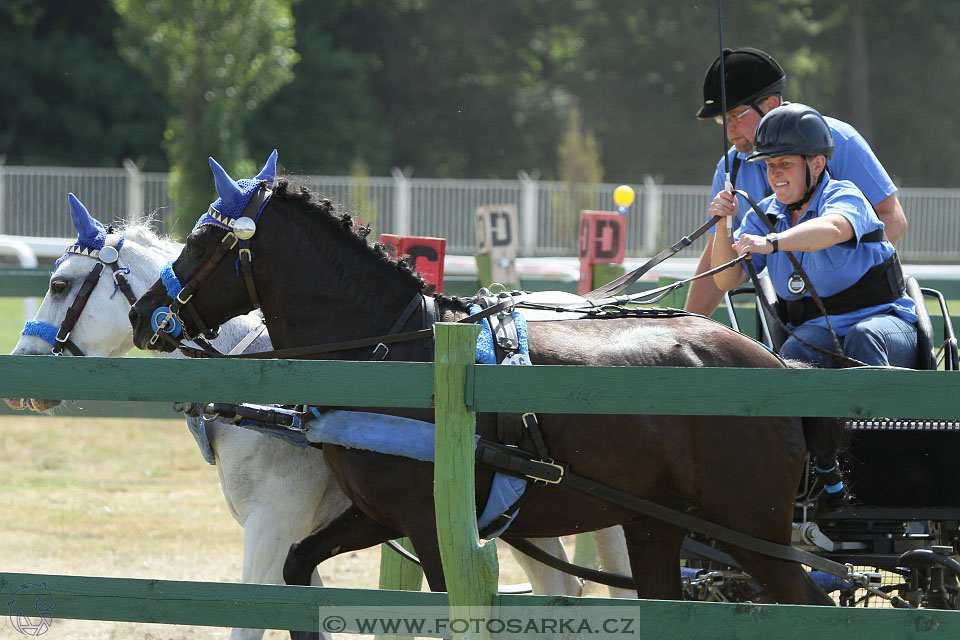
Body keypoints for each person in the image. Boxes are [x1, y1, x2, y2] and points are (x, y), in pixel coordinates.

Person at [684, 47, 907, 318]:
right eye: (723, 119)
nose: (728, 129)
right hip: (788, 313)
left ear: (770, 105)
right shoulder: (730, 167)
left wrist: (836, 287)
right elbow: (719, 258)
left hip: (858, 310)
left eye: (736, 116)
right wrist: (684, 330)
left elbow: (891, 219)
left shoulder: (837, 140)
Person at [708, 103, 918, 370]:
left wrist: (772, 242)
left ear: (817, 164)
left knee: (863, 337)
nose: (775, 174)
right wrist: (723, 225)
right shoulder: (764, 216)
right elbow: (727, 279)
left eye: (785, 163)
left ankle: (878, 414)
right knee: (797, 348)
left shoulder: (845, 195)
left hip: (884, 322)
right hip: (817, 330)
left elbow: (832, 229)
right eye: (769, 165)